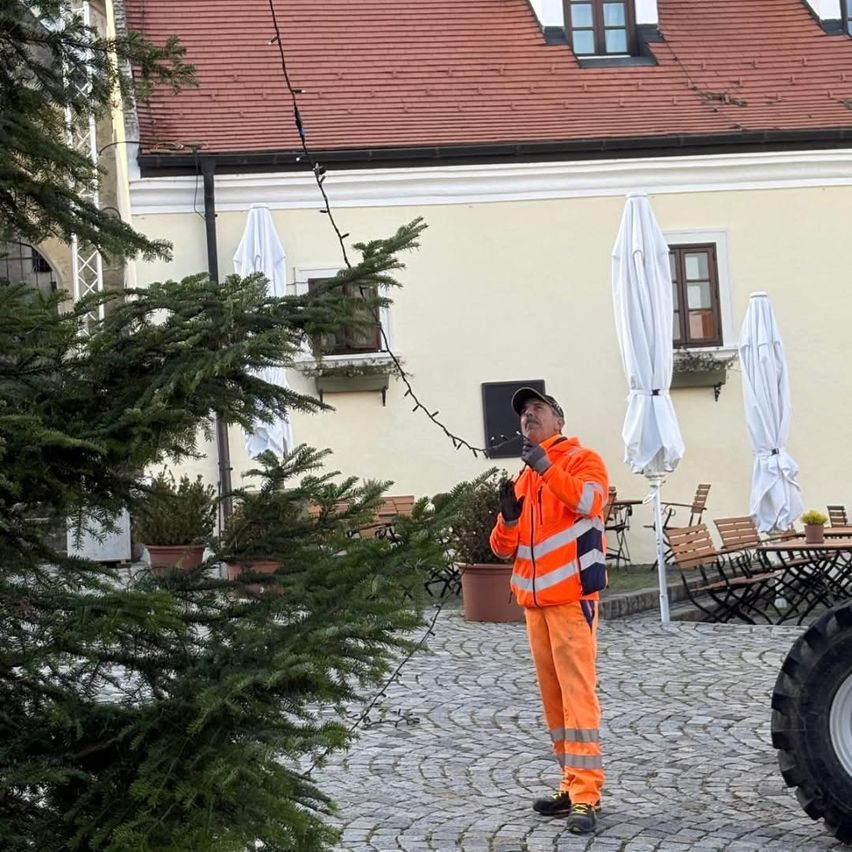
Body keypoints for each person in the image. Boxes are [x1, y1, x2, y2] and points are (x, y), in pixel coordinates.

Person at [489, 386, 609, 835]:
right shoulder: (523, 477)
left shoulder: (582, 460)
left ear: (559, 420)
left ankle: (586, 795)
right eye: (523, 413)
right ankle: (570, 782)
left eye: (537, 409)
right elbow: (503, 549)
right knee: (554, 702)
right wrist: (507, 518)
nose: (528, 417)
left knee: (578, 698)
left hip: (572, 601)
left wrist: (547, 466)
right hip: (535, 605)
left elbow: (591, 502)